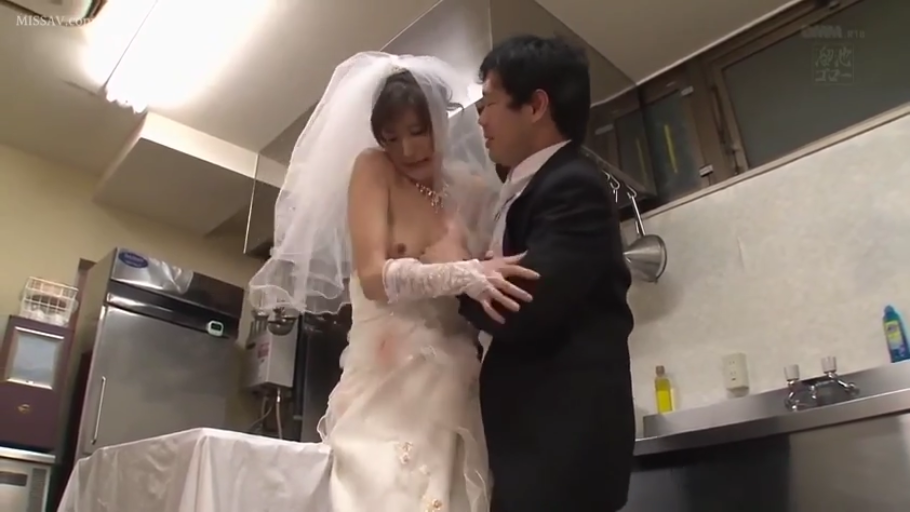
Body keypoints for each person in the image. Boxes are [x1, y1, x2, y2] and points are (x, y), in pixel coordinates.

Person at [248, 52, 539, 512]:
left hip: (456, 382)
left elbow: (494, 278)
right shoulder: (373, 169)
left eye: (418, 131)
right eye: (391, 137)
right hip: (387, 377)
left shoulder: (475, 192)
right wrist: (464, 273)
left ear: (440, 121)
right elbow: (373, 278)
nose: (407, 149)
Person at [425, 35, 636, 512]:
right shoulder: (524, 188)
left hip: (559, 445)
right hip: (530, 443)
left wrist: (453, 271)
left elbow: (525, 304)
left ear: (536, 105)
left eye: (488, 103)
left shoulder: (572, 184)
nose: (480, 119)